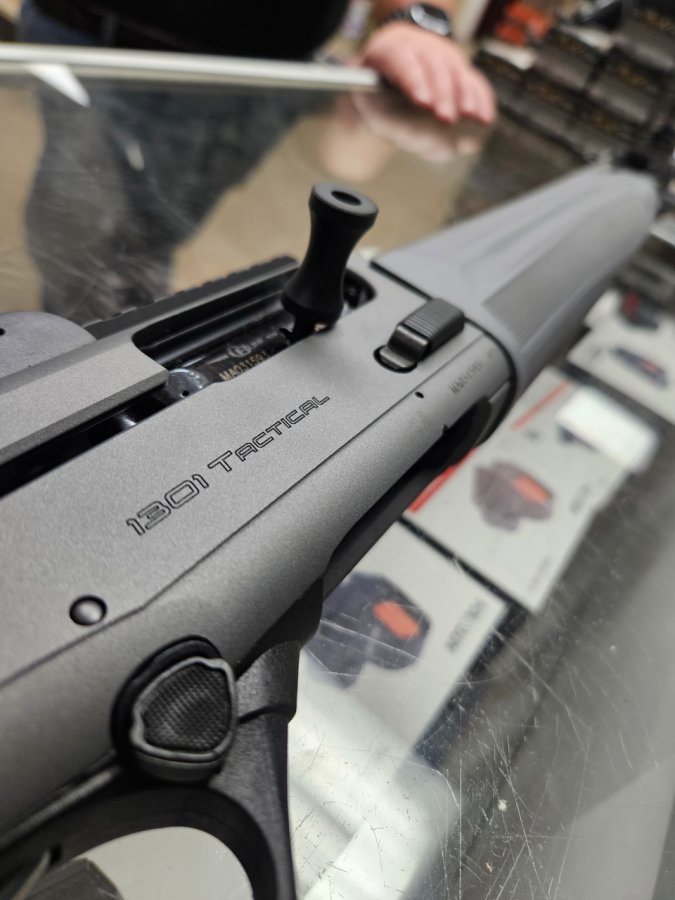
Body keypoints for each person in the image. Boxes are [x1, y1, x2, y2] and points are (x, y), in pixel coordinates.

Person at [19, 0, 496, 124]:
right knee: (78, 220)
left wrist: (418, 20)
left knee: (157, 233)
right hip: (85, 31)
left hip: (268, 70)